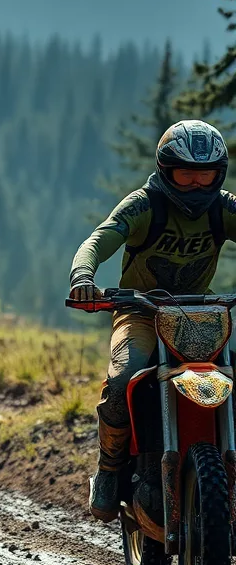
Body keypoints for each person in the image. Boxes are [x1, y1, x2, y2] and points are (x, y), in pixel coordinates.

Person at [69, 119, 235, 521]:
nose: (197, 184)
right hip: (141, 311)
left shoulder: (225, 207)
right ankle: (109, 471)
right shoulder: (144, 204)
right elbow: (99, 239)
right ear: (166, 170)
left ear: (219, 174)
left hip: (204, 313)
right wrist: (83, 277)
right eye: (186, 174)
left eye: (205, 175)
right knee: (124, 378)